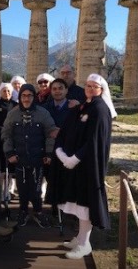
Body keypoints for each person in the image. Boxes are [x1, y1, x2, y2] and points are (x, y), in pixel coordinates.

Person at [52, 73, 117, 259]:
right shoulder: (86, 106)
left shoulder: (100, 108)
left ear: (101, 89)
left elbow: (94, 140)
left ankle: (84, 243)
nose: (89, 89)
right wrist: (63, 153)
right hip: (77, 164)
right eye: (87, 85)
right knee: (76, 201)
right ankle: (80, 237)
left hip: (88, 165)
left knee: (85, 205)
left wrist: (75, 158)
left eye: (93, 86)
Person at [1, 84, 57, 228]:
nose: (26, 99)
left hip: (38, 158)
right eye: (23, 96)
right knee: (22, 187)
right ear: (20, 97)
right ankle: (23, 211)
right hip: (19, 158)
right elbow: (6, 135)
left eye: (29, 95)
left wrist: (49, 154)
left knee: (36, 189)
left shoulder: (42, 113)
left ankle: (38, 212)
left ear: (34, 96)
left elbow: (51, 134)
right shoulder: (13, 114)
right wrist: (10, 153)